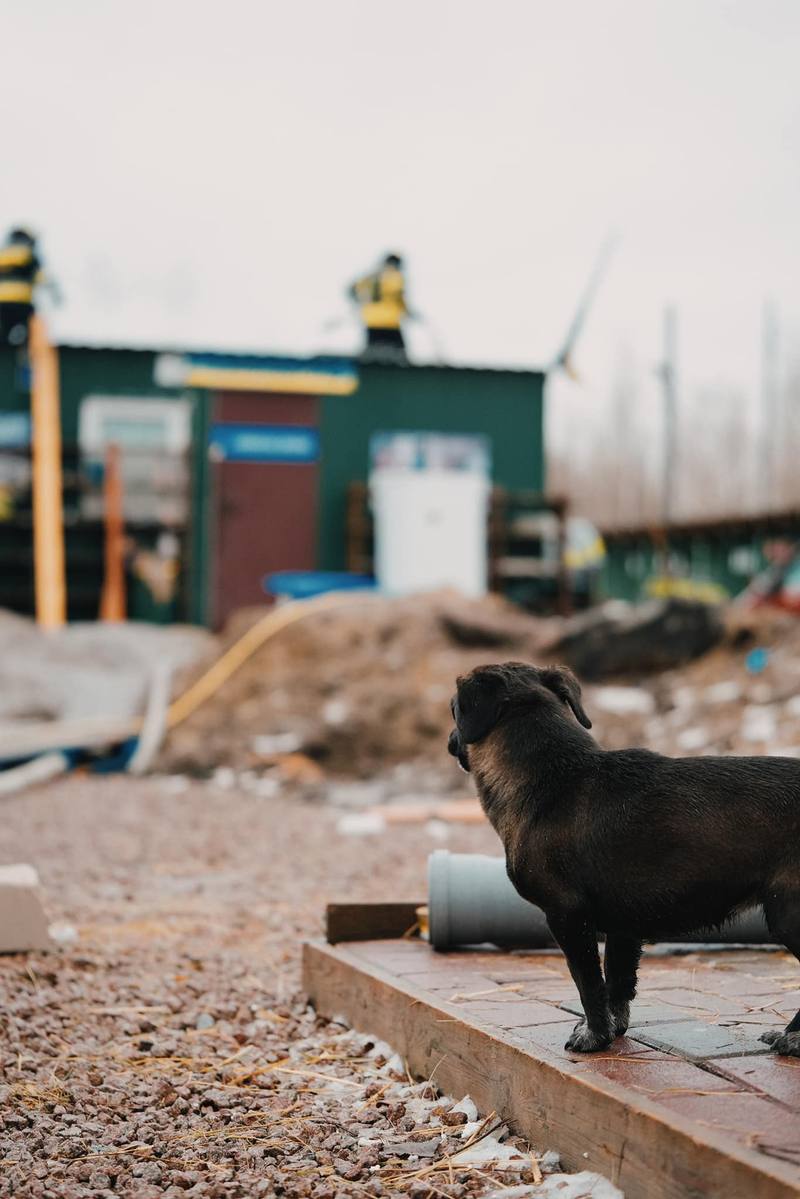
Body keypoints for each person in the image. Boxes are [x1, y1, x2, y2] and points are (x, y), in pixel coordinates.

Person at [349, 252, 410, 362]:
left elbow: (352, 289)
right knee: (400, 353)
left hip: (371, 320)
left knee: (372, 352)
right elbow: (398, 296)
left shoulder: (370, 276)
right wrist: (406, 310)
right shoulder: (395, 276)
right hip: (390, 321)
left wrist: (360, 302)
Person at [0, 227, 53, 347]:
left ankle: (5, 350)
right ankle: (23, 348)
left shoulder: (2, 254)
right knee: (27, 328)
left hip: (1, 302)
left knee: (4, 330)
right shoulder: (29, 255)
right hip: (22, 301)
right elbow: (40, 278)